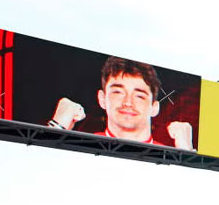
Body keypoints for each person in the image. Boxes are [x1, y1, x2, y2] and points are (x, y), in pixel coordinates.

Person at [48, 57, 194, 150]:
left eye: (139, 96)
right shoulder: (80, 146)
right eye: (118, 92)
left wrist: (186, 153)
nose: (128, 102)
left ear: (154, 108)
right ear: (102, 99)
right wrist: (56, 128)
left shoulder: (168, 156)